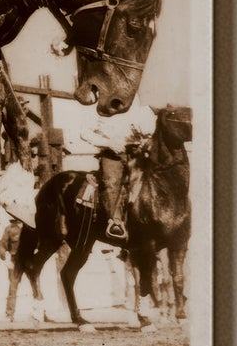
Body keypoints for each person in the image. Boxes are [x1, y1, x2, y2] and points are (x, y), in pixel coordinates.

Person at [55, 97, 159, 242]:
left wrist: (146, 139)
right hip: (112, 154)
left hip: (137, 152)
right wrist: (109, 143)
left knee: (155, 177)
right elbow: (85, 133)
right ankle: (115, 222)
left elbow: (148, 128)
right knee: (111, 182)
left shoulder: (135, 101)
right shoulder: (98, 109)